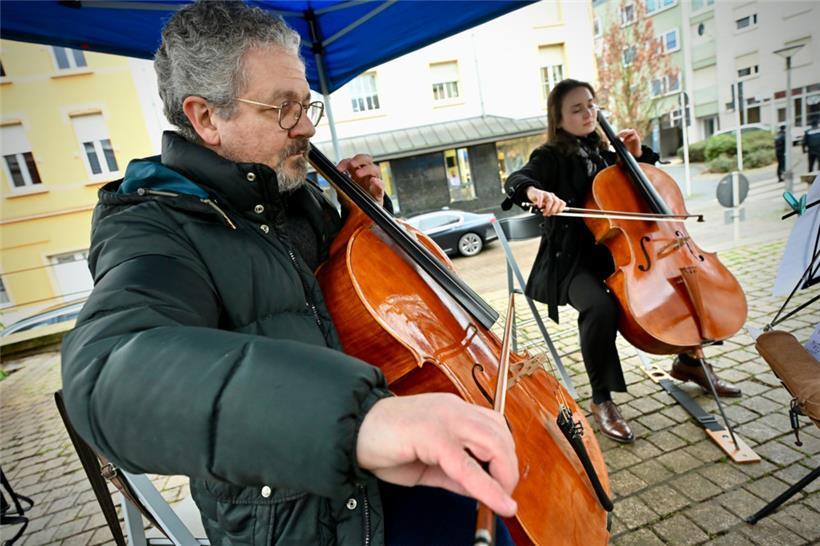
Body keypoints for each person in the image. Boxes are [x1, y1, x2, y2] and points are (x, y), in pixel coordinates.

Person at [60, 2, 518, 545]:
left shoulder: (297, 196)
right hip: (299, 518)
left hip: (393, 462)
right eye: (282, 109)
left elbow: (366, 302)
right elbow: (110, 371)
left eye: (306, 105)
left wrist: (363, 213)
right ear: (206, 117)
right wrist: (362, 422)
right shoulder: (152, 224)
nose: (304, 126)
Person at [502, 79, 741, 444]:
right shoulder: (550, 156)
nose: (587, 113)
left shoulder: (606, 149)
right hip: (572, 262)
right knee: (600, 307)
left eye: (591, 105)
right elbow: (518, 179)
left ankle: (691, 363)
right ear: (559, 118)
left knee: (677, 284)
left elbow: (642, 193)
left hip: (625, 254)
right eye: (576, 108)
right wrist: (535, 192)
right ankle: (602, 400)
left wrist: (633, 156)